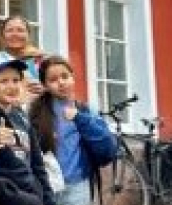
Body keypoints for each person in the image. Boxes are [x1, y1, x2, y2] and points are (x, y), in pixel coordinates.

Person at [28, 56, 116, 205]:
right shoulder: (36, 112)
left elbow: (107, 148)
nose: (61, 83)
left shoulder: (86, 110)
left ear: (72, 78)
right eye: (53, 80)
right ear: (45, 85)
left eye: (65, 76)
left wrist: (80, 119)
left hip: (78, 186)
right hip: (45, 186)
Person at [0, 51, 54, 205]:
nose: (11, 86)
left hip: (31, 196)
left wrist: (48, 200)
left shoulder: (23, 118)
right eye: (3, 81)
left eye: (16, 80)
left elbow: (38, 166)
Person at [0, 15, 45, 103]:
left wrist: (47, 90)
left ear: (28, 34)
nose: (15, 34)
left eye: (20, 30)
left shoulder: (43, 61)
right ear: (2, 35)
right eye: (9, 30)